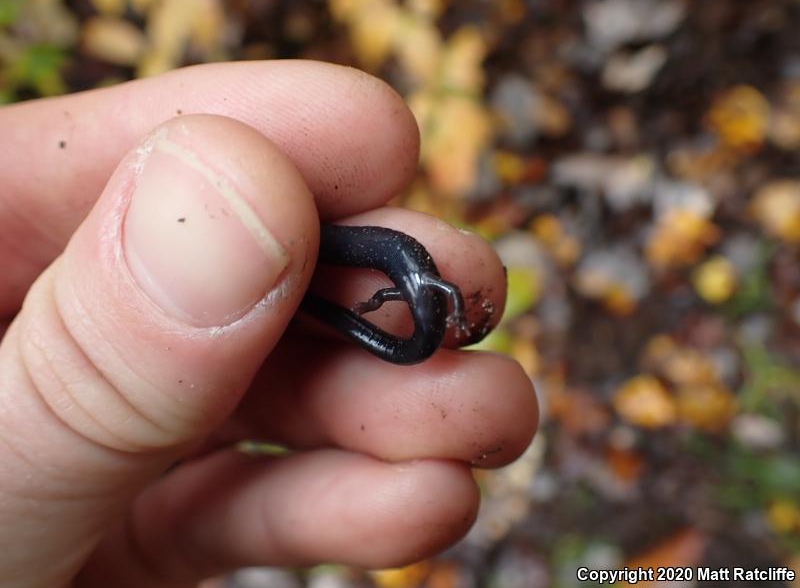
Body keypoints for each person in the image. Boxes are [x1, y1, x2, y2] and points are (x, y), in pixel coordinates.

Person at [0, 60, 538, 587]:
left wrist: (404, 309)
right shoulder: (358, 253)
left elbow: (434, 289)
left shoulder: (419, 290)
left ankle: (343, 309)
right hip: (389, 283)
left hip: (402, 297)